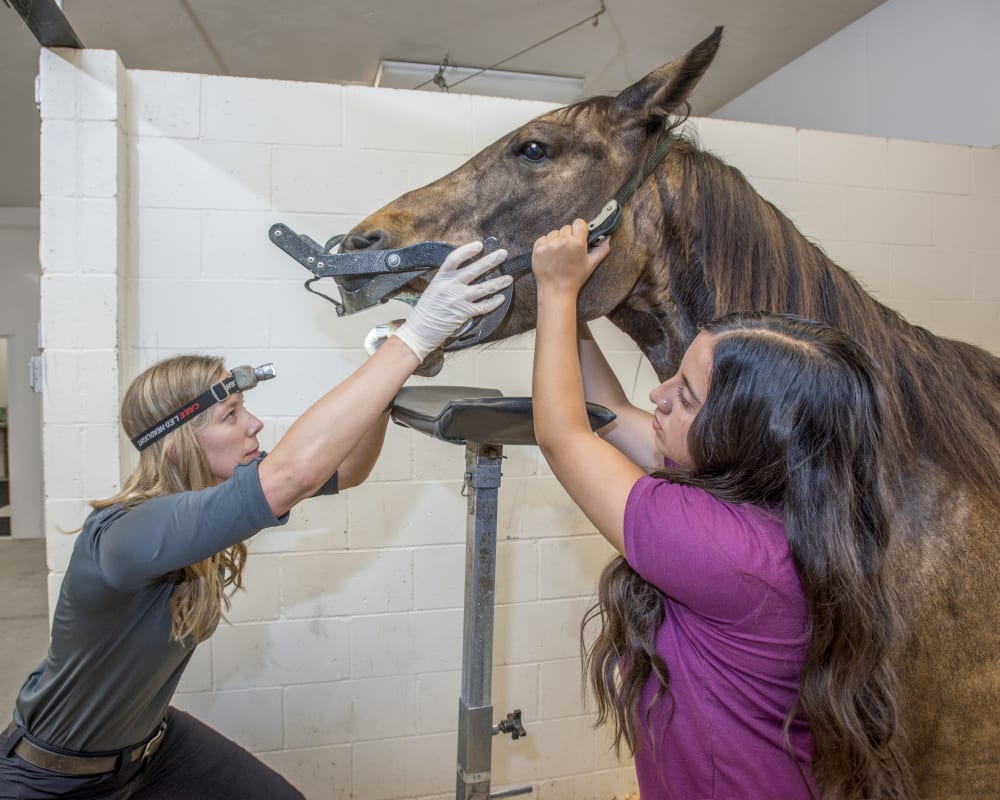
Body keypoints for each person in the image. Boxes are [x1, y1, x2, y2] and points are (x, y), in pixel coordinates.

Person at [0, 241, 512, 800]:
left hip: (150, 745)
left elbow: (347, 467)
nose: (256, 425)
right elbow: (293, 474)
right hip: (53, 777)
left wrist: (383, 370)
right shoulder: (126, 534)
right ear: (177, 443)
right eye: (231, 415)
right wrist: (414, 339)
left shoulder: (206, 504)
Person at [529, 219, 915, 800]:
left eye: (684, 394)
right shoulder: (788, 512)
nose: (658, 395)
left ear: (744, 435)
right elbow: (606, 408)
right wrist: (577, 302)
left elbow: (565, 435)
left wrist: (553, 293)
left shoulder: (726, 552)